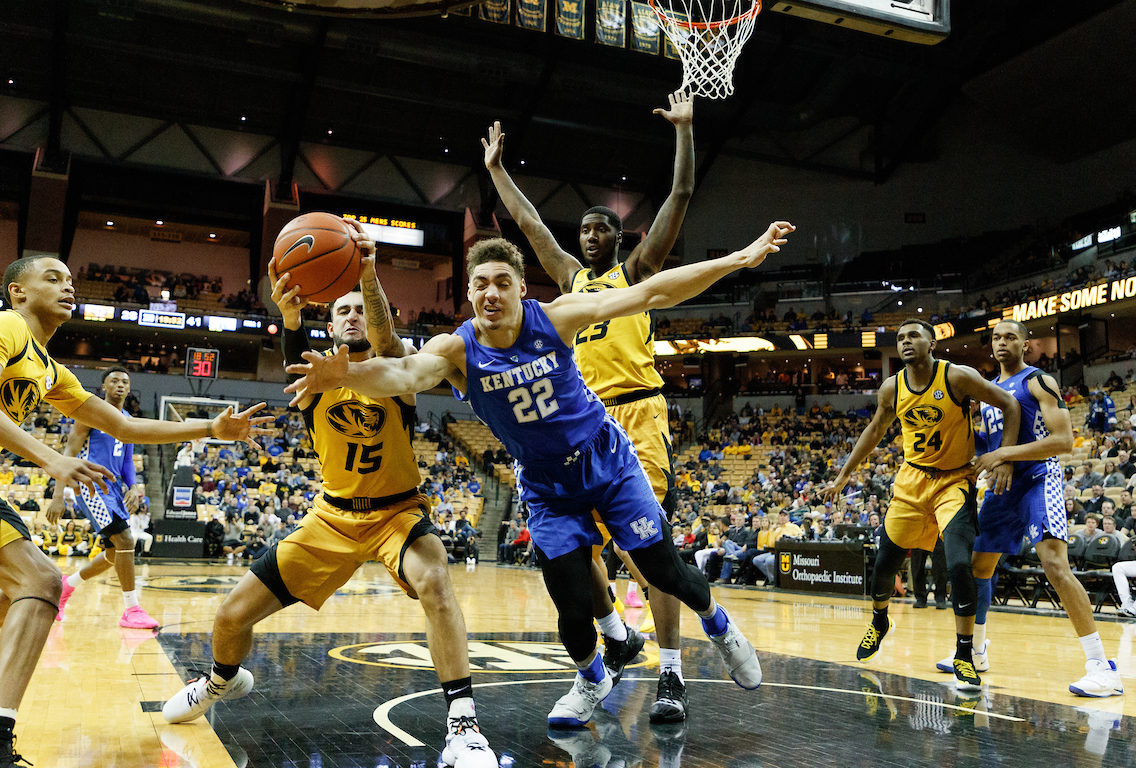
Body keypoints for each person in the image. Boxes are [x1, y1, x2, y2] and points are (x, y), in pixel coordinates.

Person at [285, 225, 793, 727]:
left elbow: (651, 291)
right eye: (481, 283)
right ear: (468, 294)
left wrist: (739, 258)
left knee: (663, 571)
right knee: (572, 609)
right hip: (548, 486)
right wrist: (345, 374)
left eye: (503, 281)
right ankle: (592, 679)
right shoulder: (458, 349)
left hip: (606, 460)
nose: (491, 291)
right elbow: (402, 374)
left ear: (521, 289)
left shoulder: (555, 318)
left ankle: (721, 627)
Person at [164, 228, 498, 768]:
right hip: (331, 520)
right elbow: (293, 350)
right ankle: (222, 680)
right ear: (329, 321)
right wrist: (291, 318)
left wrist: (367, 276)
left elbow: (389, 344)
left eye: (360, 309)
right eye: (340, 309)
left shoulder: (398, 374)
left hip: (397, 514)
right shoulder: (313, 381)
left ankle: (463, 727)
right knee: (229, 618)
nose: (351, 316)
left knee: (436, 580)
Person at [0, 255, 271, 767]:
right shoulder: (2, 325)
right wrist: (52, 461)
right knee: (42, 582)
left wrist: (210, 429)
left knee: (26, 587)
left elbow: (126, 427)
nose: (67, 286)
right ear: (17, 294)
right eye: (52, 278)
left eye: (70, 280)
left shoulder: (48, 368)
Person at [483, 94, 696, 722]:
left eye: (601, 227)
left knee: (647, 549)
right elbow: (530, 228)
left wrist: (683, 133)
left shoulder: (635, 272)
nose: (589, 235)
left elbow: (678, 199)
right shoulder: (571, 283)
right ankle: (617, 636)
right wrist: (497, 172)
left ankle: (673, 675)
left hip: (639, 420)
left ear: (618, 236)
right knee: (572, 554)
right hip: (582, 427)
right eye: (584, 229)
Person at [822, 318, 1021, 692]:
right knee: (883, 565)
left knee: (961, 564)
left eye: (914, 335)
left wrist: (1005, 456)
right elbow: (876, 430)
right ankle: (880, 621)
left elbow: (1009, 403)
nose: (906, 342)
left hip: (954, 482)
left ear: (932, 343)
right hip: (912, 481)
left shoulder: (957, 377)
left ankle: (964, 653)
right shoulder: (891, 387)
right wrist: (845, 474)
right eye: (900, 338)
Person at [935, 320, 1122, 696]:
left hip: (1039, 478)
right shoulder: (988, 390)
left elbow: (1064, 440)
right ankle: (976, 651)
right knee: (978, 566)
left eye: (1011, 337)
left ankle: (1102, 667)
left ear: (1025, 344)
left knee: (1054, 564)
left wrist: (1005, 452)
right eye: (997, 338)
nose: (1003, 342)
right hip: (1003, 486)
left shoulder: (1038, 381)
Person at [46, 366, 157, 629]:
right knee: (126, 539)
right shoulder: (90, 413)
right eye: (114, 380)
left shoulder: (127, 418)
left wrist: (133, 487)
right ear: (104, 387)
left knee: (112, 553)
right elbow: (69, 453)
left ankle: (66, 585)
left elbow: (128, 460)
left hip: (115, 489)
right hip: (91, 485)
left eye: (125, 382)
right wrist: (58, 495)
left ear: (129, 389)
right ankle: (132, 609)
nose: (120, 385)